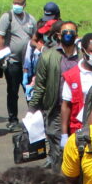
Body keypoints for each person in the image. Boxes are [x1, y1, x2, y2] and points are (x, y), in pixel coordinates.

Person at [28, 20, 80, 171]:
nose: (68, 35)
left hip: (78, 111)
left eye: (72, 32)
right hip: (56, 110)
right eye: (65, 32)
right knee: (59, 150)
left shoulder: (83, 56)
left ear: (76, 35)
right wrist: (32, 109)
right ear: (58, 35)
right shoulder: (48, 57)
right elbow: (40, 86)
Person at [0, 0, 38, 132]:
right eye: (15, 2)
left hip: (27, 64)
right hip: (12, 62)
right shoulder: (7, 17)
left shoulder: (30, 19)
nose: (16, 5)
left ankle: (32, 119)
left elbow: (35, 38)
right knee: (12, 92)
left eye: (19, 3)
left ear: (25, 4)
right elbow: (0, 37)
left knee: (29, 91)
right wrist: (3, 57)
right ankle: (13, 120)